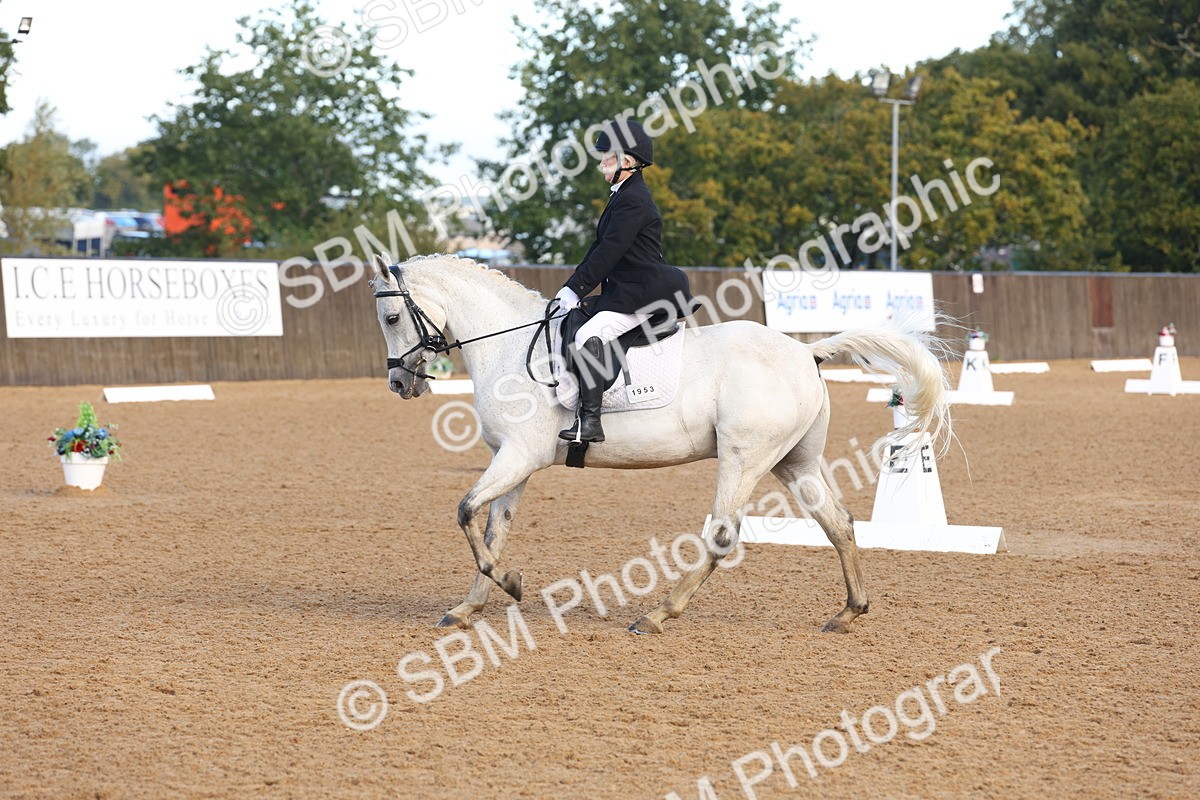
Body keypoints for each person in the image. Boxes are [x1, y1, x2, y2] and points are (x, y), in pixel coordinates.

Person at [554, 118, 694, 444]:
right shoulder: (622, 195)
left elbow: (610, 252)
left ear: (627, 162)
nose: (601, 162)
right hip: (625, 290)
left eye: (608, 157)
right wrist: (570, 287)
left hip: (643, 293)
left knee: (590, 333)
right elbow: (597, 249)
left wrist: (577, 288)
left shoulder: (634, 199)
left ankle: (590, 421)